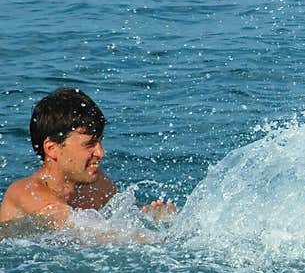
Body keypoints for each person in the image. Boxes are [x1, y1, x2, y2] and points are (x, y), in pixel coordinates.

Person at [0, 87, 175, 233]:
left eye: (100, 141)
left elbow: (128, 213)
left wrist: (156, 217)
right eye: (89, 144)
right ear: (52, 148)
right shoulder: (25, 193)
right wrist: (158, 241)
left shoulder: (97, 185)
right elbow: (84, 231)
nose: (101, 152)